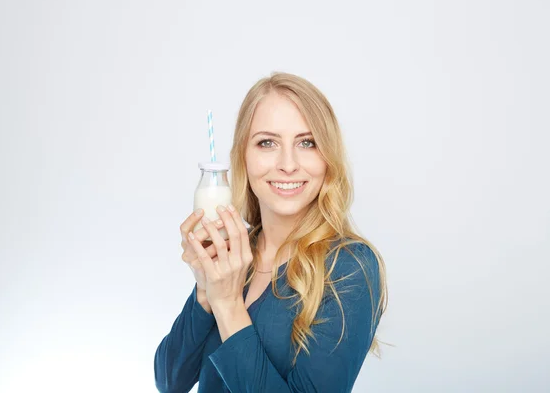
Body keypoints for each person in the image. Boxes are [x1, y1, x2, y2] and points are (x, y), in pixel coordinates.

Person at [154, 72, 388, 392]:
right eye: (267, 143)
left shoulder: (349, 267)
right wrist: (206, 291)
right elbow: (170, 381)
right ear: (243, 157)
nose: (288, 164)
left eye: (307, 143)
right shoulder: (236, 253)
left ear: (327, 158)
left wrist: (228, 304)